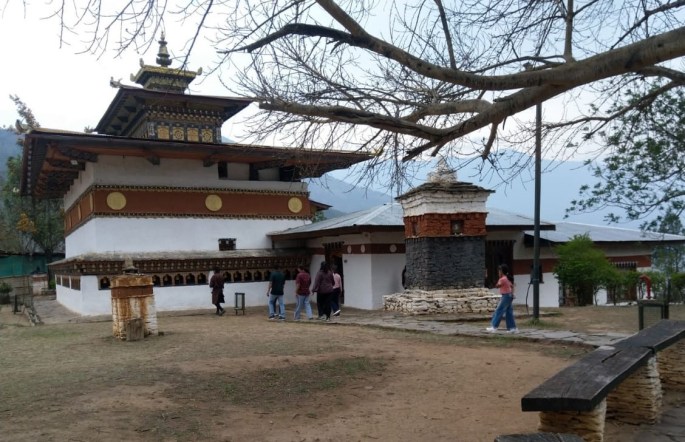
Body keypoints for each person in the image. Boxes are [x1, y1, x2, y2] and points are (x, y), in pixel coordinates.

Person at [486, 264, 518, 333]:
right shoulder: (507, 278)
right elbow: (512, 286)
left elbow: (497, 286)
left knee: (499, 310)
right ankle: (512, 328)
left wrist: (488, 278)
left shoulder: (502, 279)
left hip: (505, 296)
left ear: (502, 271)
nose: (498, 272)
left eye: (499, 271)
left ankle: (494, 327)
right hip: (509, 296)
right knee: (509, 312)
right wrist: (512, 294)